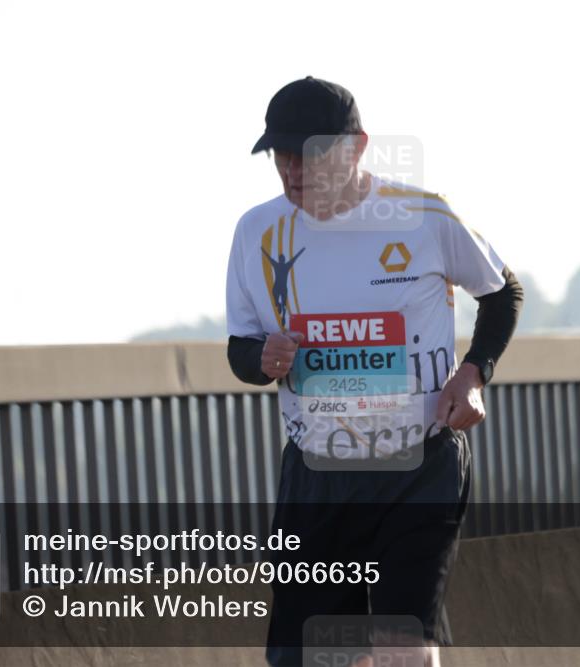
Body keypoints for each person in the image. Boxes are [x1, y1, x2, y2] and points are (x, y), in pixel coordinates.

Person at [225, 75, 524, 667]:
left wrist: (473, 373)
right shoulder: (256, 232)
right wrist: (260, 361)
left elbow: (502, 292)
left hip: (417, 463)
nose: (292, 171)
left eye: (308, 154)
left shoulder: (423, 216)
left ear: (357, 147)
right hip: (319, 471)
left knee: (401, 651)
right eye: (280, 156)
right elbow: (240, 348)